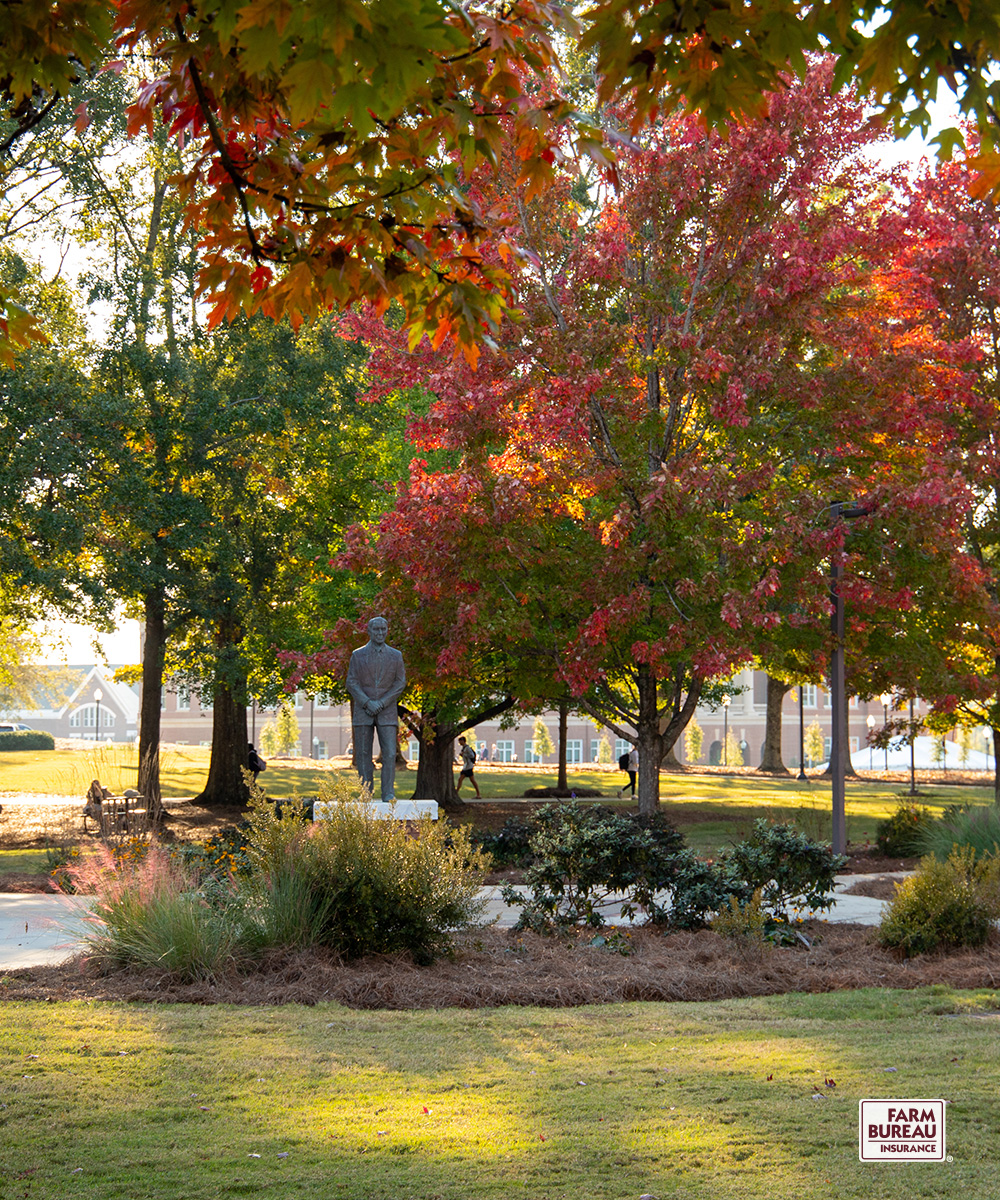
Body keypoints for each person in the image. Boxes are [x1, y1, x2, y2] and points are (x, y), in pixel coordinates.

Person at [346, 616, 407, 801]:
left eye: (383, 629)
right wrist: (367, 702)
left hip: (387, 711)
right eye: (376, 630)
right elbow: (351, 682)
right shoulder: (358, 655)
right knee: (363, 754)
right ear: (369, 631)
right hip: (363, 711)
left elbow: (400, 682)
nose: (380, 633)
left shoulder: (396, 656)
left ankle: (388, 792)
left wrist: (381, 703)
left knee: (389, 753)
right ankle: (366, 792)